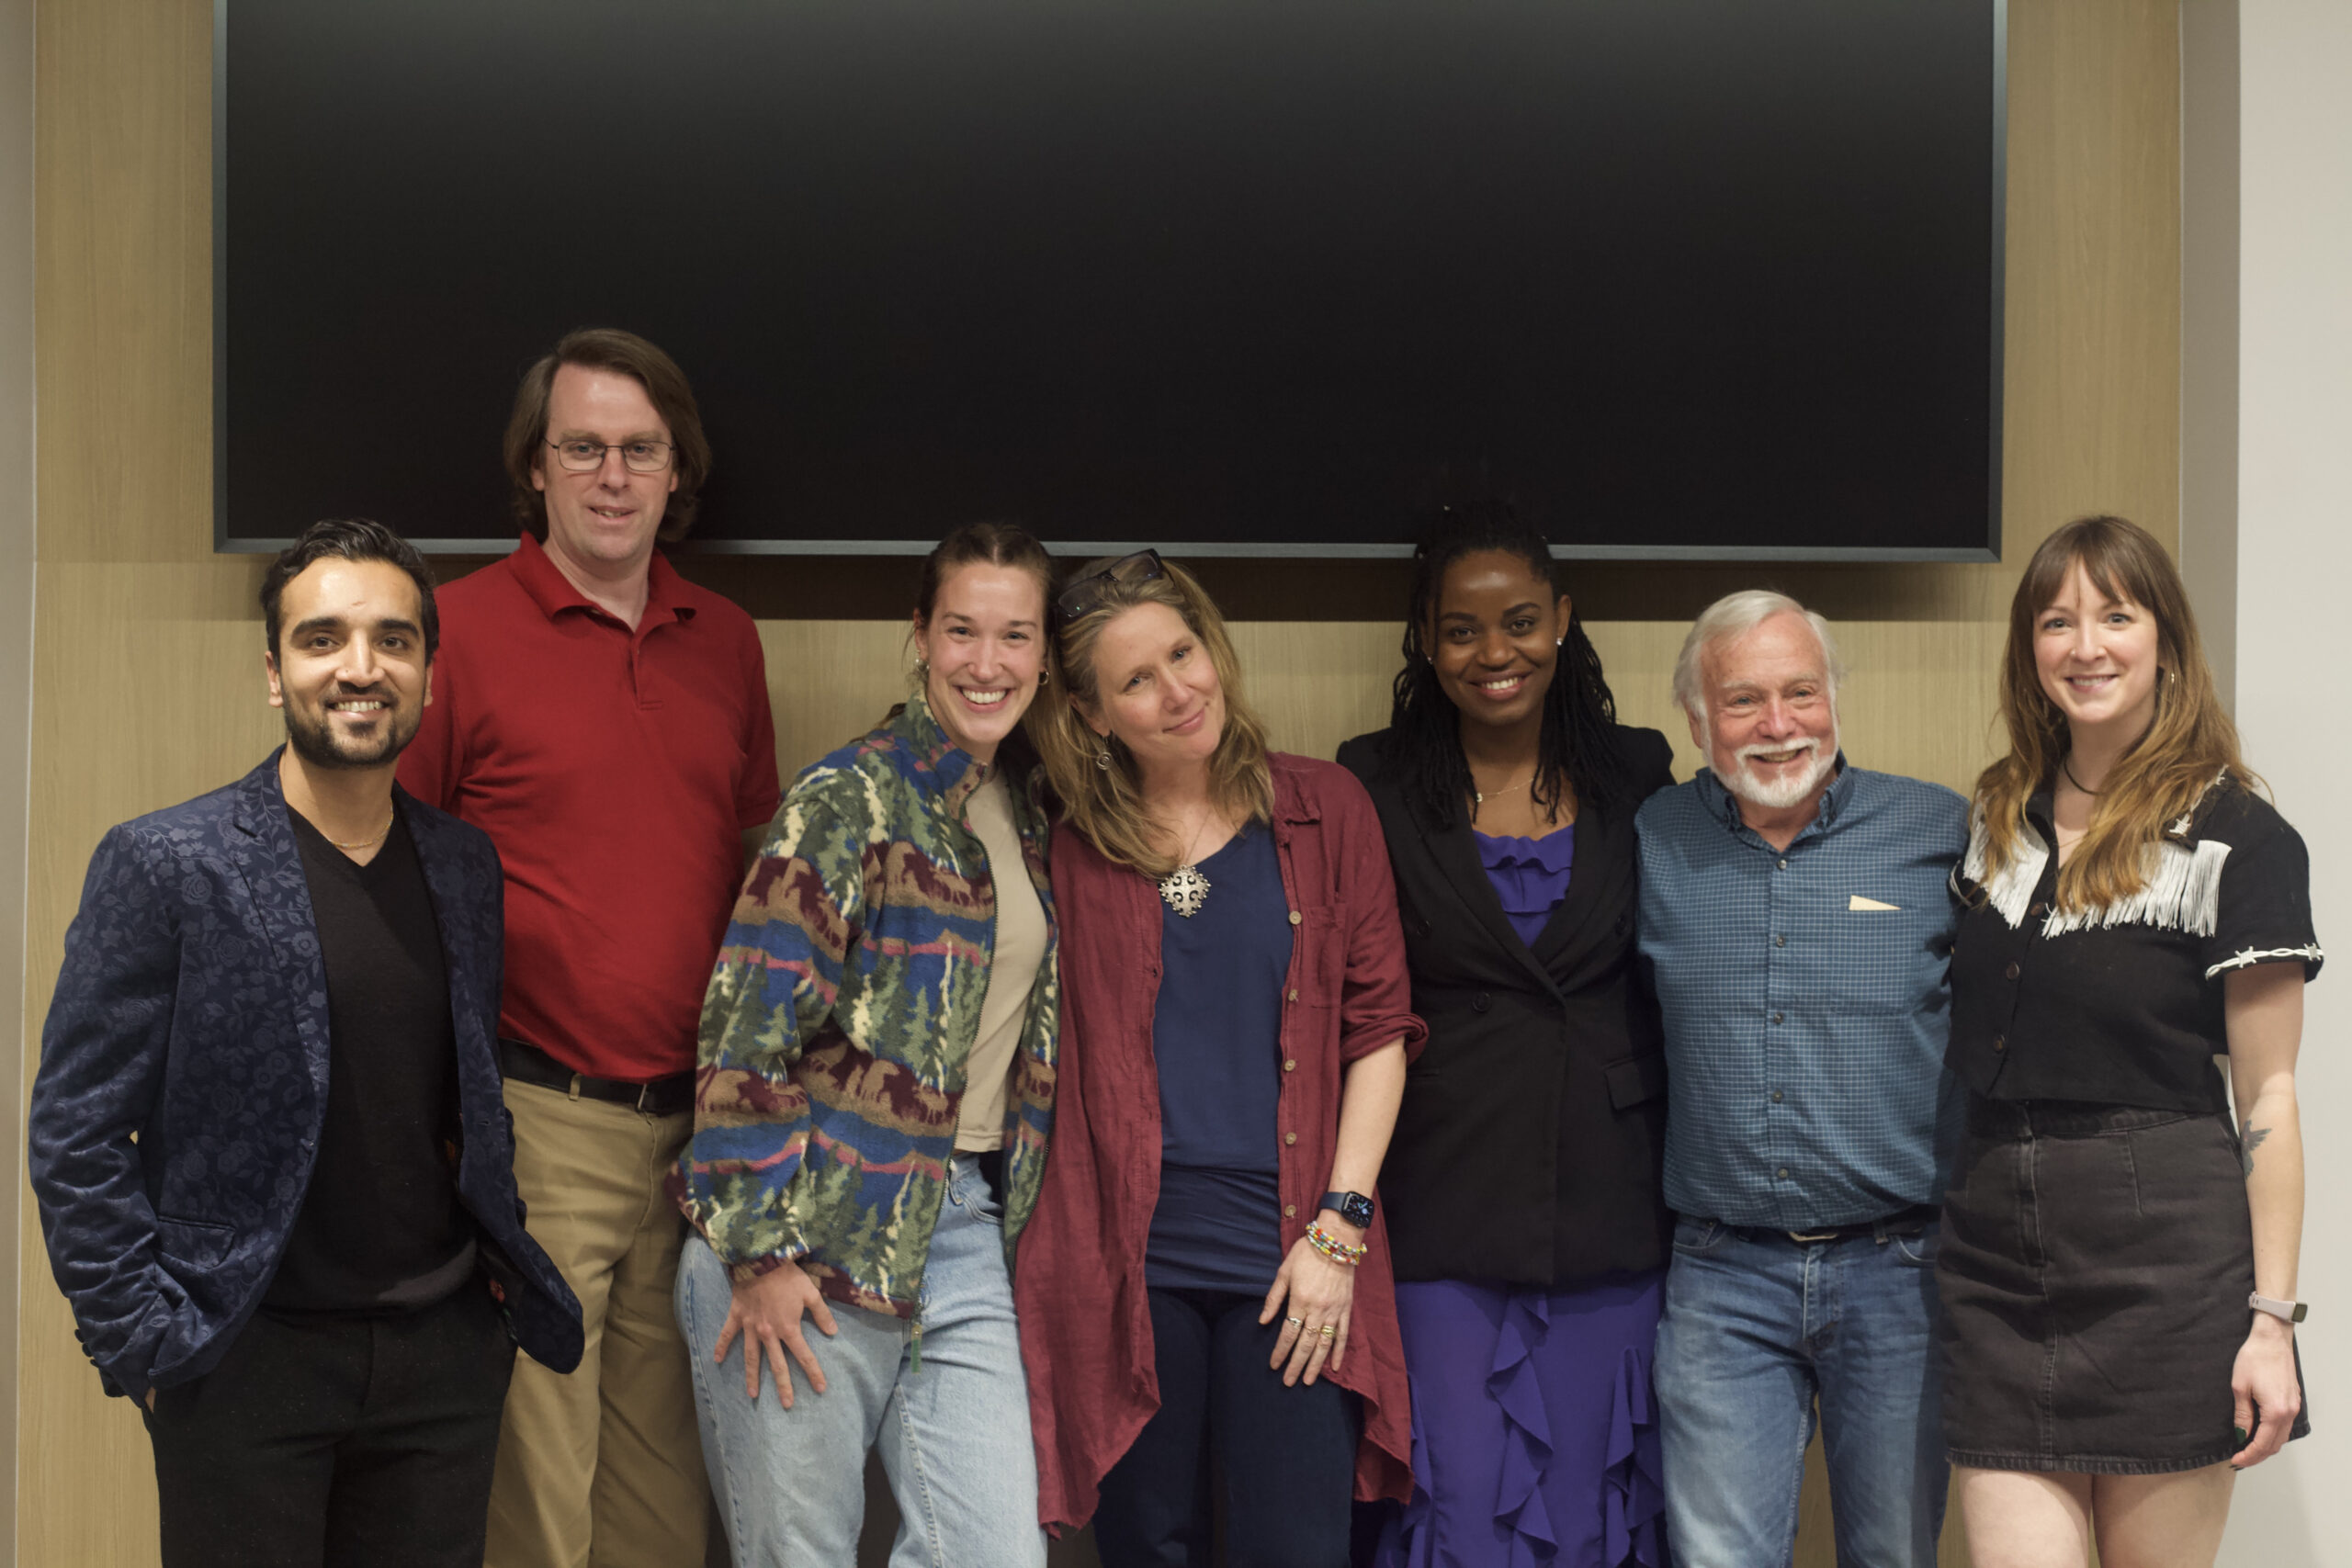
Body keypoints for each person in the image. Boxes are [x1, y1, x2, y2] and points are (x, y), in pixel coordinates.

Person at [28, 519, 582, 1568]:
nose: (360, 668)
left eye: (393, 639)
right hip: (243, 1359)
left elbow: (460, 1093)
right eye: (322, 639)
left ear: (426, 669)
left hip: (440, 1365)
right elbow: (76, 1133)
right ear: (275, 674)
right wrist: (141, 1341)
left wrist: (487, 1311)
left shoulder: (465, 866)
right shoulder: (168, 864)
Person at [397, 327, 779, 1568]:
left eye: (640, 450)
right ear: (536, 467)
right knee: (540, 1510)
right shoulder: (454, 630)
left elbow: (746, 858)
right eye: (584, 448)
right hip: (539, 1117)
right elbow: (389, 873)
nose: (612, 475)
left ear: (678, 472)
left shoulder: (727, 638)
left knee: (667, 1513)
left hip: (702, 1140)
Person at [1017, 550, 1424, 1568]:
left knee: (1295, 1547)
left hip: (1292, 1266)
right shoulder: (1063, 845)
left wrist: (1339, 1234)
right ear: (1092, 713)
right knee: (1147, 1547)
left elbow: (1378, 1030)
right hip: (1125, 1277)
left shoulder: (1326, 809)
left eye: (1182, 653)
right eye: (1136, 680)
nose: (1176, 692)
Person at [673, 523, 1062, 1566]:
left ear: (1042, 653)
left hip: (966, 1230)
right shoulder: (848, 797)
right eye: (962, 631)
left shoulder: (1028, 812)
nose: (988, 663)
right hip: (809, 1233)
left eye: (1015, 635)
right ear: (921, 638)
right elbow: (744, 1030)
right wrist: (758, 1255)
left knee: (994, 1555)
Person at [1939, 516, 2316, 1568]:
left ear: (2165, 642)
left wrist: (2271, 1323)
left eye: (2115, 614)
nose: (2085, 645)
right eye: (2056, 620)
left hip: (2166, 1270)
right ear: (2029, 648)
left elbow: (2270, 1098)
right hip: (1993, 1262)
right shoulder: (1996, 816)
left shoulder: (2239, 838)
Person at [1337, 504, 1676, 1567]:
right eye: (1461, 630)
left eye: (1521, 622)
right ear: (1425, 644)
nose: (1495, 654)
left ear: (1563, 621)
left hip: (1611, 1204)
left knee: (1593, 1506)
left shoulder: (1637, 772)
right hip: (1443, 1205)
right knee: (1461, 1504)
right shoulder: (1371, 781)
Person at [1634, 590, 1966, 1568]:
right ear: (1696, 722)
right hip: (1719, 1277)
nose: (1778, 727)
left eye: (1800, 693)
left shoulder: (1939, 834)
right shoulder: (1650, 840)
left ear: (1833, 700)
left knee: (1893, 1554)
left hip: (1901, 1274)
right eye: (1742, 701)